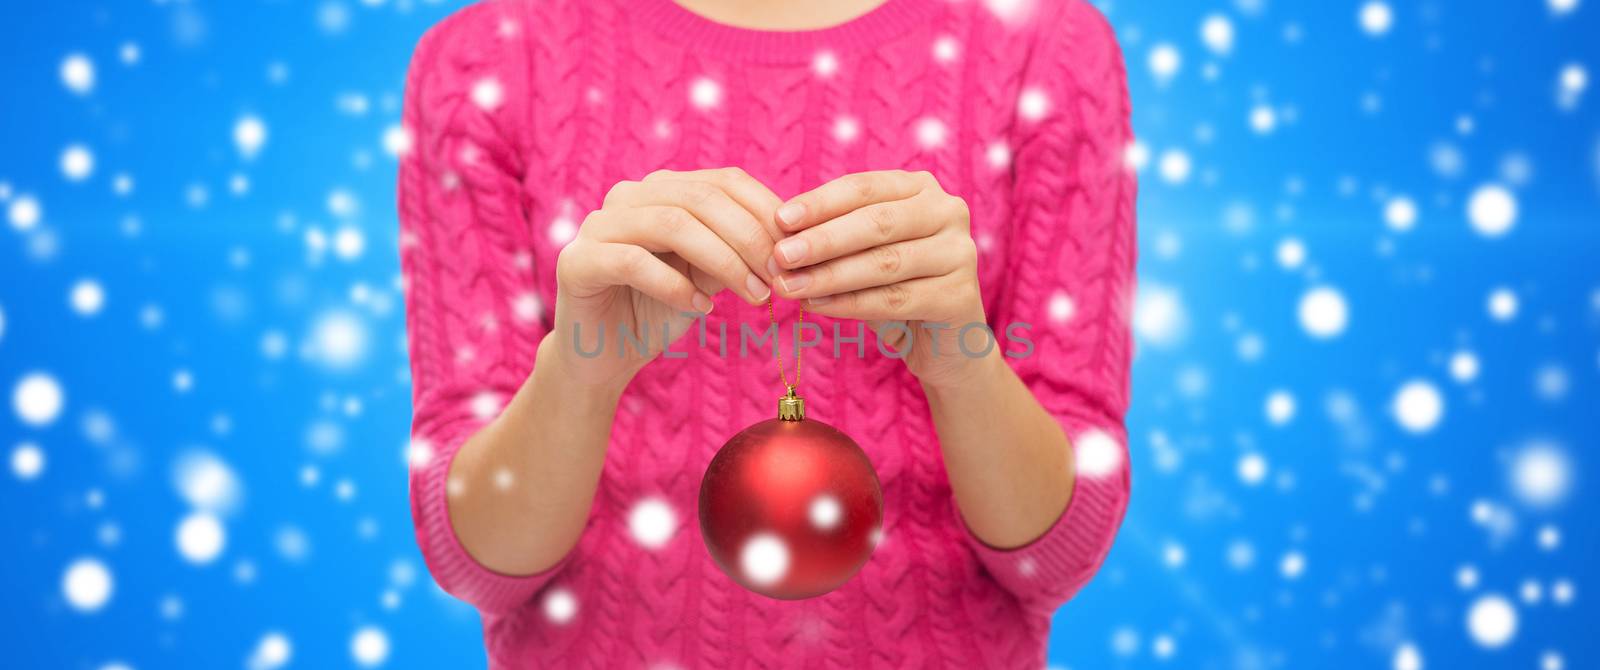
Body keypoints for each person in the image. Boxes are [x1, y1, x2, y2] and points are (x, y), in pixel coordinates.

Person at [398, 0, 1134, 666]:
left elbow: (1060, 555)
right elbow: (475, 562)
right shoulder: (487, 60)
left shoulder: (1045, 44)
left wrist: (964, 366)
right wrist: (580, 374)